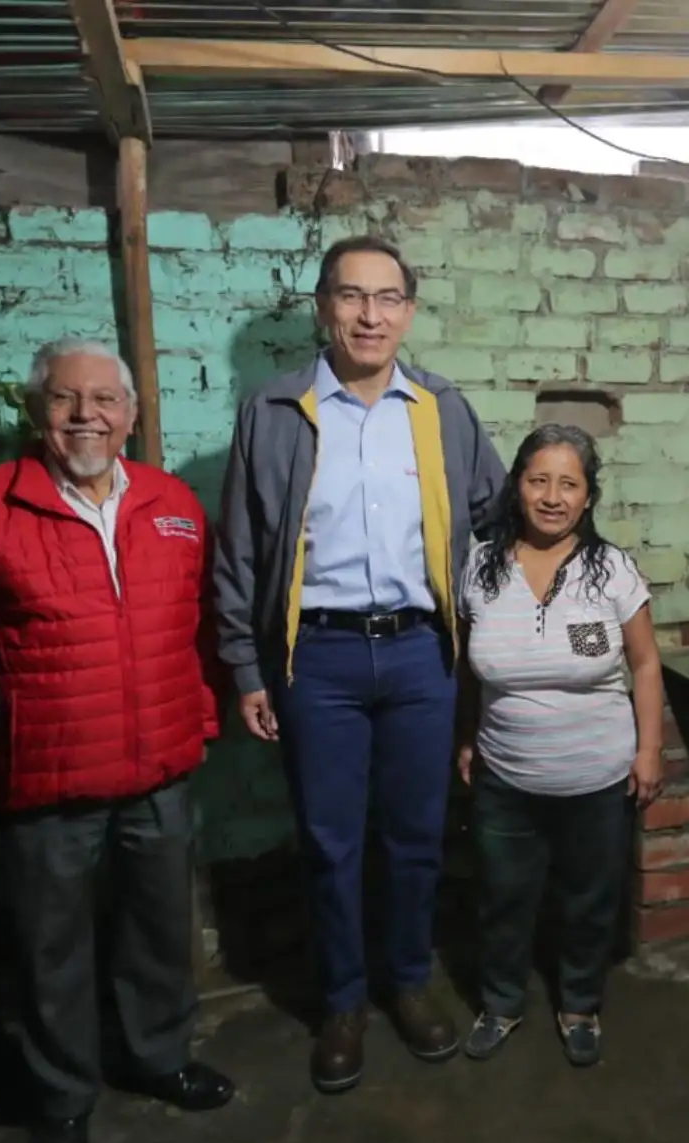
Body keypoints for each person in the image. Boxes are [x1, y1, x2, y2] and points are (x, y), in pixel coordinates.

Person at [214, 234, 507, 1093]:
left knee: (415, 834)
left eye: (387, 299)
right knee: (329, 840)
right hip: (320, 659)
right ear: (323, 308)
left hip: (421, 654)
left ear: (408, 312)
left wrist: (495, 643)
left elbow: (494, 521)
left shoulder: (443, 409)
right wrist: (245, 667)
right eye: (351, 296)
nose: (369, 316)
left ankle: (406, 982)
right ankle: (342, 1001)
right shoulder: (274, 411)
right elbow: (240, 550)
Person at [0, 339, 233, 1143]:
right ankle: (63, 1099)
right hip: (46, 774)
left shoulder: (173, 503)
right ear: (36, 411)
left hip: (161, 765)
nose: (86, 416)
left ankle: (159, 1056)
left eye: (105, 400)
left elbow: (199, 625)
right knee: (51, 949)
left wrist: (201, 720)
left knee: (159, 928)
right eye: (66, 399)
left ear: (131, 415)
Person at [455, 424, 665, 1067]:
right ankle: (501, 1003)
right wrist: (466, 738)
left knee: (589, 901)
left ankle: (579, 1006)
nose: (552, 497)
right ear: (517, 487)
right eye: (538, 480)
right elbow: (466, 670)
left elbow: (646, 664)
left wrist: (649, 751)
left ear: (588, 497)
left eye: (568, 484)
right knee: (502, 897)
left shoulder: (612, 571)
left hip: (598, 777)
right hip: (505, 775)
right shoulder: (480, 568)